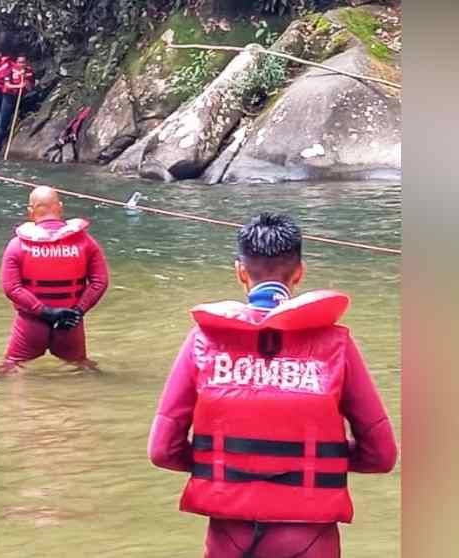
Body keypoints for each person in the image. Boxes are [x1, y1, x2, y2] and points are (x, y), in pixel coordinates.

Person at [147, 213, 397, 557]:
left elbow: (162, 450)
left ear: (240, 272)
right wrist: (312, 463)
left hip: (229, 535)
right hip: (310, 538)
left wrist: (226, 462)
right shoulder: (337, 345)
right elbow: (381, 456)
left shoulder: (202, 341)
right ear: (299, 273)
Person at [0, 186, 109, 372]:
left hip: (31, 323)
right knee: (82, 368)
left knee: (11, 368)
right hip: (70, 322)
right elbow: (100, 282)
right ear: (60, 207)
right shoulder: (86, 242)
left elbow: (11, 288)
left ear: (31, 211)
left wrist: (45, 312)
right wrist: (77, 311)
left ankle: (14, 401)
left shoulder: (17, 245)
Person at [0, 55, 34, 152]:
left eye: (23, 62)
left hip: (21, 97)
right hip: (8, 96)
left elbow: (30, 88)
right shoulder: (10, 70)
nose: (21, 64)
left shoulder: (29, 72)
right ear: (16, 63)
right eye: (20, 62)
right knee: (3, 121)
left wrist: (26, 82)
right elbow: (7, 85)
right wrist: (18, 85)